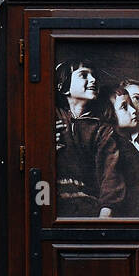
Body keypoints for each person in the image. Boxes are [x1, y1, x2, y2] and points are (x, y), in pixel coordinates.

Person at [53, 60, 122, 217]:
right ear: (63, 87)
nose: (93, 80)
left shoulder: (102, 130)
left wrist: (105, 214)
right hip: (53, 204)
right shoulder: (51, 116)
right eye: (84, 75)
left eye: (94, 76)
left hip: (87, 206)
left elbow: (111, 174)